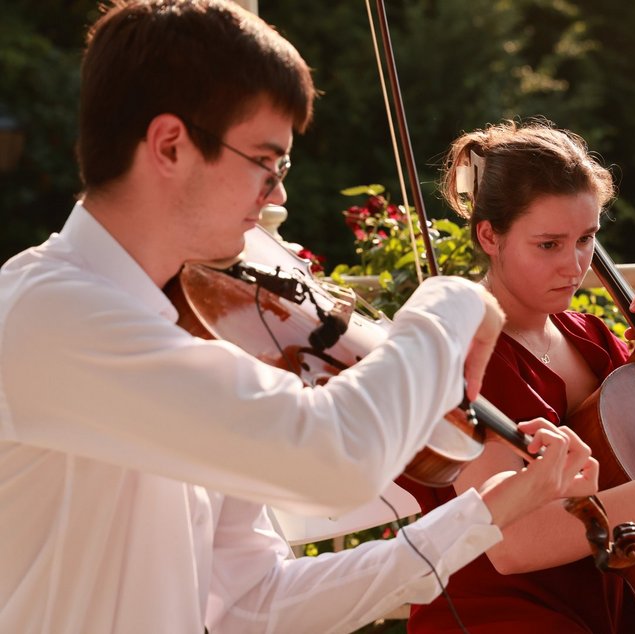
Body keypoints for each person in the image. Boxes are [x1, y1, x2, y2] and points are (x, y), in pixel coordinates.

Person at [0, 4, 601, 633]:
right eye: (267, 163)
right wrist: (449, 303)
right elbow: (333, 459)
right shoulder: (47, 313)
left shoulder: (190, 323)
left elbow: (253, 604)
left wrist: (483, 515)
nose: (278, 196)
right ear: (171, 145)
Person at [402, 119, 635, 632]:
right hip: (502, 618)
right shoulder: (463, 352)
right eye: (549, 244)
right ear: (490, 236)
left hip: (616, 609)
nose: (575, 266)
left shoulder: (590, 337)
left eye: (587, 239)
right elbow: (513, 543)